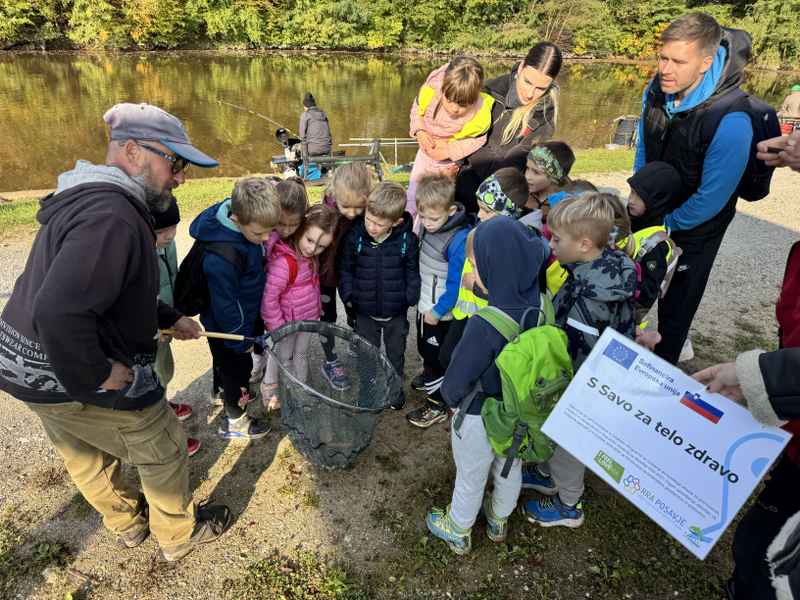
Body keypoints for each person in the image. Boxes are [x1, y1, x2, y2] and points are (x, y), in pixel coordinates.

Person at [0, 102, 231, 562]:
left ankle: (127, 523)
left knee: (85, 451)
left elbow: (110, 289)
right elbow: (58, 310)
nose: (181, 177)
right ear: (131, 150)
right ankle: (178, 535)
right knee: (161, 445)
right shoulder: (114, 217)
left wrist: (167, 317)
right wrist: (98, 372)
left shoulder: (92, 197)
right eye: (175, 162)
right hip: (68, 366)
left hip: (22, 365)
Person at [633, 13, 755, 365]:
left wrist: (667, 226)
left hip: (698, 226)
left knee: (675, 313)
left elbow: (712, 198)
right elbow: (644, 145)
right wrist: (640, 192)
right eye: (663, 57)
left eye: (678, 61)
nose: (665, 69)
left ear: (705, 62)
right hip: (653, 208)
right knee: (633, 289)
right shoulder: (655, 90)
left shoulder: (731, 120)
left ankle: (665, 365)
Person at [425, 217, 548, 555]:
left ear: (491, 265)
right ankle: (498, 520)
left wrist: (450, 399)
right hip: (521, 412)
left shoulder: (486, 322)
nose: (472, 270)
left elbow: (458, 376)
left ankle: (459, 528)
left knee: (472, 473)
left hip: (480, 413)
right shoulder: (541, 306)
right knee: (510, 467)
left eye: (475, 263)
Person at [522, 193, 637, 528]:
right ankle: (546, 472)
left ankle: (568, 502)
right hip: (583, 375)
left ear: (585, 244)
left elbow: (581, 349)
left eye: (557, 238)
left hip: (581, 386)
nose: (551, 243)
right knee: (557, 438)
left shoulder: (591, 297)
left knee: (571, 440)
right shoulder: (596, 271)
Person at [190, 177, 280, 440]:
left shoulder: (240, 228)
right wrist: (241, 340)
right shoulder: (223, 257)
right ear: (238, 218)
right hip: (229, 328)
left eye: (269, 232)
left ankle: (221, 391)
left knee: (224, 365)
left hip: (234, 317)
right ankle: (236, 421)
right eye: (259, 233)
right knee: (237, 370)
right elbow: (226, 305)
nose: (264, 239)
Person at [338, 181, 421, 410]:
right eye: (369, 220)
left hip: (395, 312)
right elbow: (345, 269)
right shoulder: (355, 238)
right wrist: (348, 295)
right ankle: (368, 390)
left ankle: (394, 389)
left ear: (396, 222)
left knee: (396, 354)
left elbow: (412, 271)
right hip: (364, 312)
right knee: (366, 354)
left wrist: (410, 296)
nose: (372, 227)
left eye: (379, 224)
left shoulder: (408, 241)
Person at [455, 42, 562, 211]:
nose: (530, 93)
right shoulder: (488, 90)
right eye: (527, 82)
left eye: (541, 88)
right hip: (460, 182)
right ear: (520, 68)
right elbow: (460, 129)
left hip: (500, 197)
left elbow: (519, 161)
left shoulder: (545, 115)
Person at [405, 175, 472, 429]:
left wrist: (439, 309)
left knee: (438, 355)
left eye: (435, 218)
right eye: (424, 218)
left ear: (451, 210)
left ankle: (438, 403)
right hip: (426, 305)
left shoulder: (457, 240)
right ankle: (429, 376)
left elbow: (456, 285)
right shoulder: (426, 226)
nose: (429, 224)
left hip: (440, 312)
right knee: (424, 348)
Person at [261, 204, 338, 410]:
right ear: (301, 230)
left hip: (307, 319)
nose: (312, 249)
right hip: (285, 325)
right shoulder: (285, 262)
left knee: (301, 354)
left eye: (320, 246)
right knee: (281, 356)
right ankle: (271, 389)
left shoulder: (311, 259)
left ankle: (301, 391)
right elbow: (269, 299)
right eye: (310, 240)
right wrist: (278, 327)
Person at [408, 56, 493, 215]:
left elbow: (477, 139)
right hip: (424, 156)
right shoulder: (431, 90)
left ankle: (430, 236)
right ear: (443, 89)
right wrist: (419, 131)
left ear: (474, 98)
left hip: (447, 165)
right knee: (413, 198)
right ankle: (410, 234)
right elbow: (416, 110)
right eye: (450, 101)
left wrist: (449, 151)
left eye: (462, 105)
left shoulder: (479, 114)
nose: (454, 109)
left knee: (436, 206)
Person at [318, 163, 376, 390]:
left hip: (352, 273)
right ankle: (330, 360)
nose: (352, 214)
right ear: (334, 192)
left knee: (355, 309)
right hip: (325, 274)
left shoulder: (367, 210)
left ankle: (357, 341)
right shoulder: (324, 214)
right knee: (326, 318)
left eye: (358, 208)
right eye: (346, 207)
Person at [152, 194, 201, 457]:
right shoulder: (134, 251)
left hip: (164, 322)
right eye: (162, 231)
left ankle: (163, 403)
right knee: (148, 379)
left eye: (174, 228)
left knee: (163, 369)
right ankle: (165, 437)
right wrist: (154, 324)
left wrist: (176, 314)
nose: (170, 236)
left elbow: (172, 277)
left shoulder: (166, 243)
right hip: (147, 328)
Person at [250, 177, 309, 387]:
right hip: (266, 300)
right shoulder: (266, 234)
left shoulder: (301, 237)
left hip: (288, 305)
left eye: (293, 224)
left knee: (287, 350)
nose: (286, 230)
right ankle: (260, 369)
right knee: (267, 340)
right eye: (281, 224)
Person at [524, 142, 576, 232]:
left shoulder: (563, 206)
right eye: (527, 168)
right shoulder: (524, 195)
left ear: (554, 177)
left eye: (536, 172)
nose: (527, 176)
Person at [299, 92, 332, 157]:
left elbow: (302, 135)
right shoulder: (323, 114)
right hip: (327, 148)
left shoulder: (305, 115)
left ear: (306, 106)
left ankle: (305, 164)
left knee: (296, 147)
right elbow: (329, 134)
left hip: (312, 150)